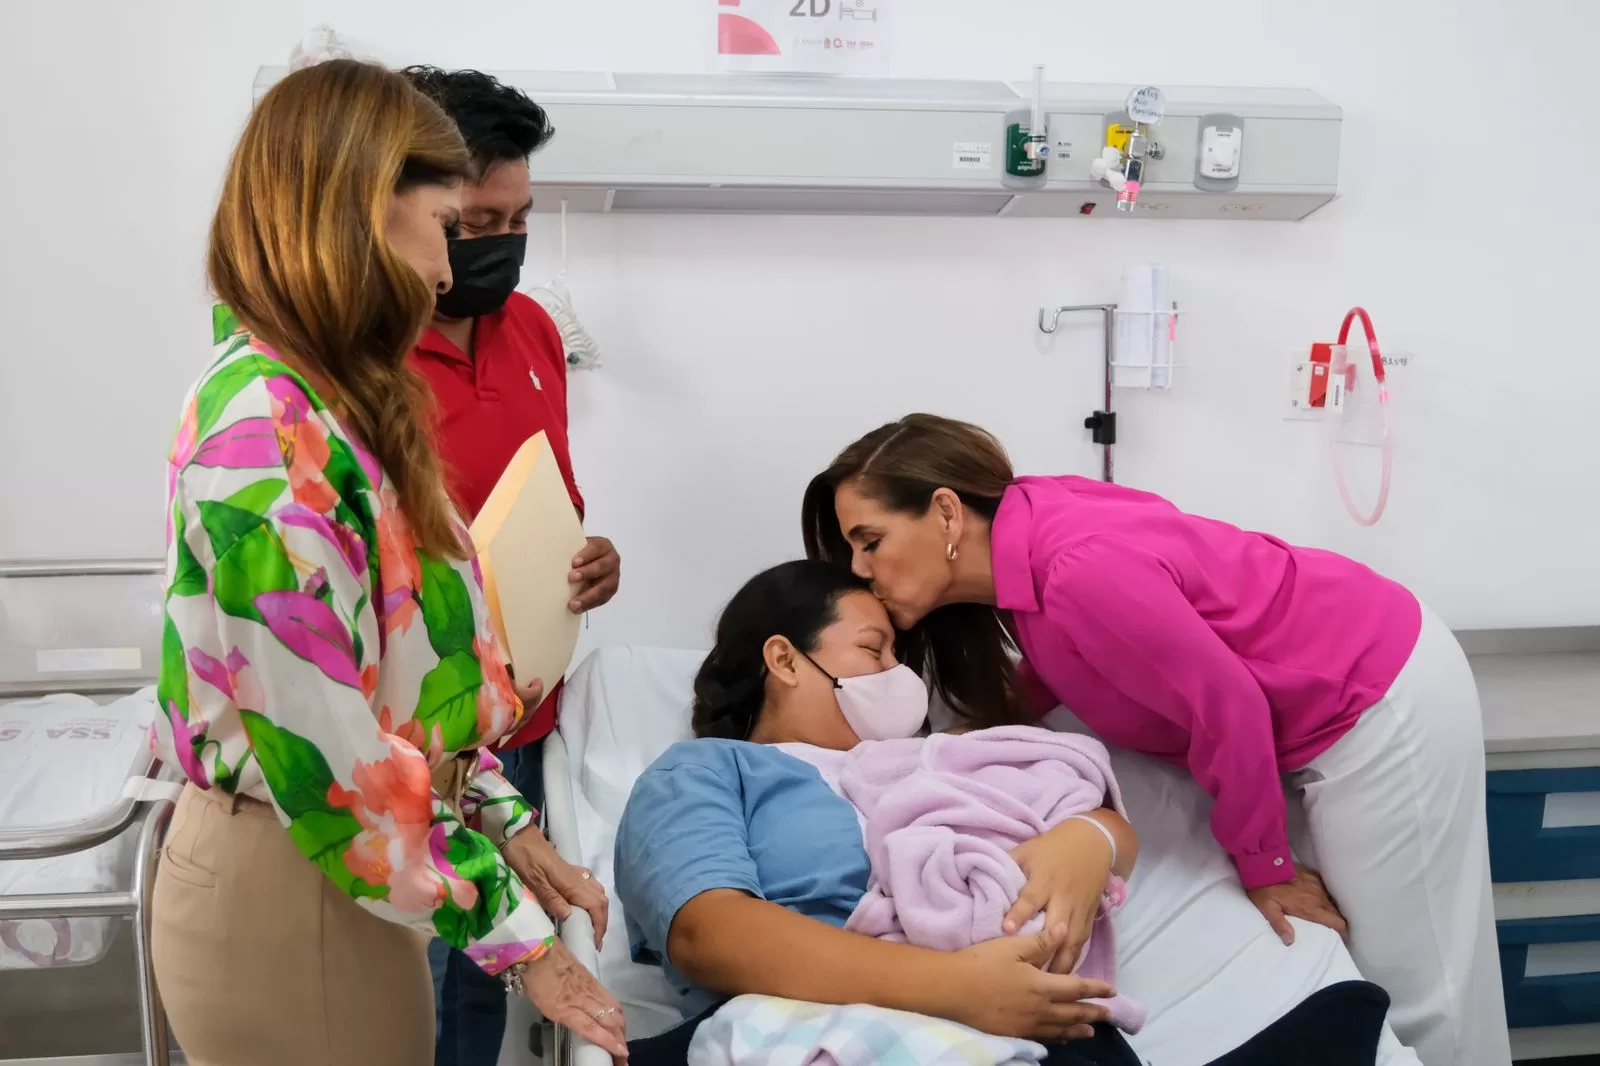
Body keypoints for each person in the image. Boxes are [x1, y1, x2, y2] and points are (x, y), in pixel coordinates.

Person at [147, 60, 627, 1066]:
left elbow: (401, 683)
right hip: (296, 878)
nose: (450, 273)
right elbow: (330, 761)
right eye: (444, 225)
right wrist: (523, 942)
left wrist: (508, 824)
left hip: (354, 865)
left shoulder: (343, 408)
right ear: (360, 214)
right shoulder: (266, 442)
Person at [800, 413, 1511, 1066]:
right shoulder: (1029, 535)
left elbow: (1227, 704)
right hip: (1322, 687)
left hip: (1373, 692)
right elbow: (1073, 656)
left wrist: (1264, 864)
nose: (860, 569)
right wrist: (973, 740)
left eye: (871, 541)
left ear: (947, 512)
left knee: (1423, 979)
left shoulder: (1077, 567)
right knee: (1358, 940)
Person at [612, 561, 1395, 1066]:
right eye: (873, 650)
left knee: (1083, 1039)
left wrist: (1090, 841)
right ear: (784, 659)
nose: (896, 676)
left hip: (1026, 1013)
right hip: (842, 1015)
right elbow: (707, 931)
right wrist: (954, 987)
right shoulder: (706, 771)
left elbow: (1066, 798)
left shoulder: (933, 759)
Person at [398, 66, 623, 1066]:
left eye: (519, 219)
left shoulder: (532, 330)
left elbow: (543, 501)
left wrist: (589, 559)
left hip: (516, 722)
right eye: (478, 222)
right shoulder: (359, 366)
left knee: (484, 982)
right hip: (413, 736)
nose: (503, 244)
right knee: (424, 991)